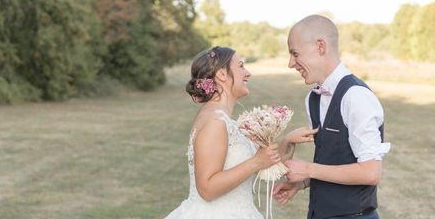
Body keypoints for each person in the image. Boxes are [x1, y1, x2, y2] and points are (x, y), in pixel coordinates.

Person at [273, 15, 391, 219]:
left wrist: (308, 169)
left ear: (320, 46)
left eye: (295, 53)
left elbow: (370, 172)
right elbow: (334, 161)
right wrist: (302, 182)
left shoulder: (356, 96)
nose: (291, 63)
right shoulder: (312, 99)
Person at [164, 46, 281, 218]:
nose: (247, 73)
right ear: (221, 74)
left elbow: (256, 163)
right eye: (241, 66)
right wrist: (255, 162)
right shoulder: (215, 122)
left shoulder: (223, 120)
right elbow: (207, 188)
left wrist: (289, 142)